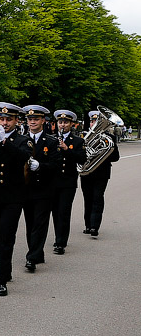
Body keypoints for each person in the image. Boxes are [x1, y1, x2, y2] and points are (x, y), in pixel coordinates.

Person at [0, 103, 33, 297]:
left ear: (16, 121)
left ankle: (1, 279)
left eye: (8, 119)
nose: (4, 123)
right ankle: (6, 268)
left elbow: (23, 158)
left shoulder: (22, 140)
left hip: (12, 196)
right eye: (1, 119)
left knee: (6, 237)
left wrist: (5, 142)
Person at [21, 105, 61, 273]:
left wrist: (40, 166)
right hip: (26, 189)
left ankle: (32, 257)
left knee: (40, 222)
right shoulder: (21, 139)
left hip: (44, 189)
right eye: (30, 119)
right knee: (30, 223)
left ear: (43, 121)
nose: (32, 122)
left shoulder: (51, 141)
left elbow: (56, 164)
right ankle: (37, 252)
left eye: (36, 119)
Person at [50, 110, 87, 254]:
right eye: (60, 122)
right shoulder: (51, 139)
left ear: (72, 124)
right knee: (55, 212)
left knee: (64, 212)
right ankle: (58, 236)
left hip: (68, 182)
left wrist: (66, 150)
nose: (62, 125)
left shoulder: (78, 141)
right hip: (53, 181)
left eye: (66, 122)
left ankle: (61, 242)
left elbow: (82, 159)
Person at [80, 109, 120, 239]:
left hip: (102, 173)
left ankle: (94, 226)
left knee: (97, 197)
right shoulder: (83, 137)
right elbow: (78, 155)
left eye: (97, 121)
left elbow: (116, 157)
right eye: (93, 121)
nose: (94, 124)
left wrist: (102, 154)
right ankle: (87, 225)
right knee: (88, 198)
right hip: (86, 172)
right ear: (90, 123)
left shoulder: (110, 138)